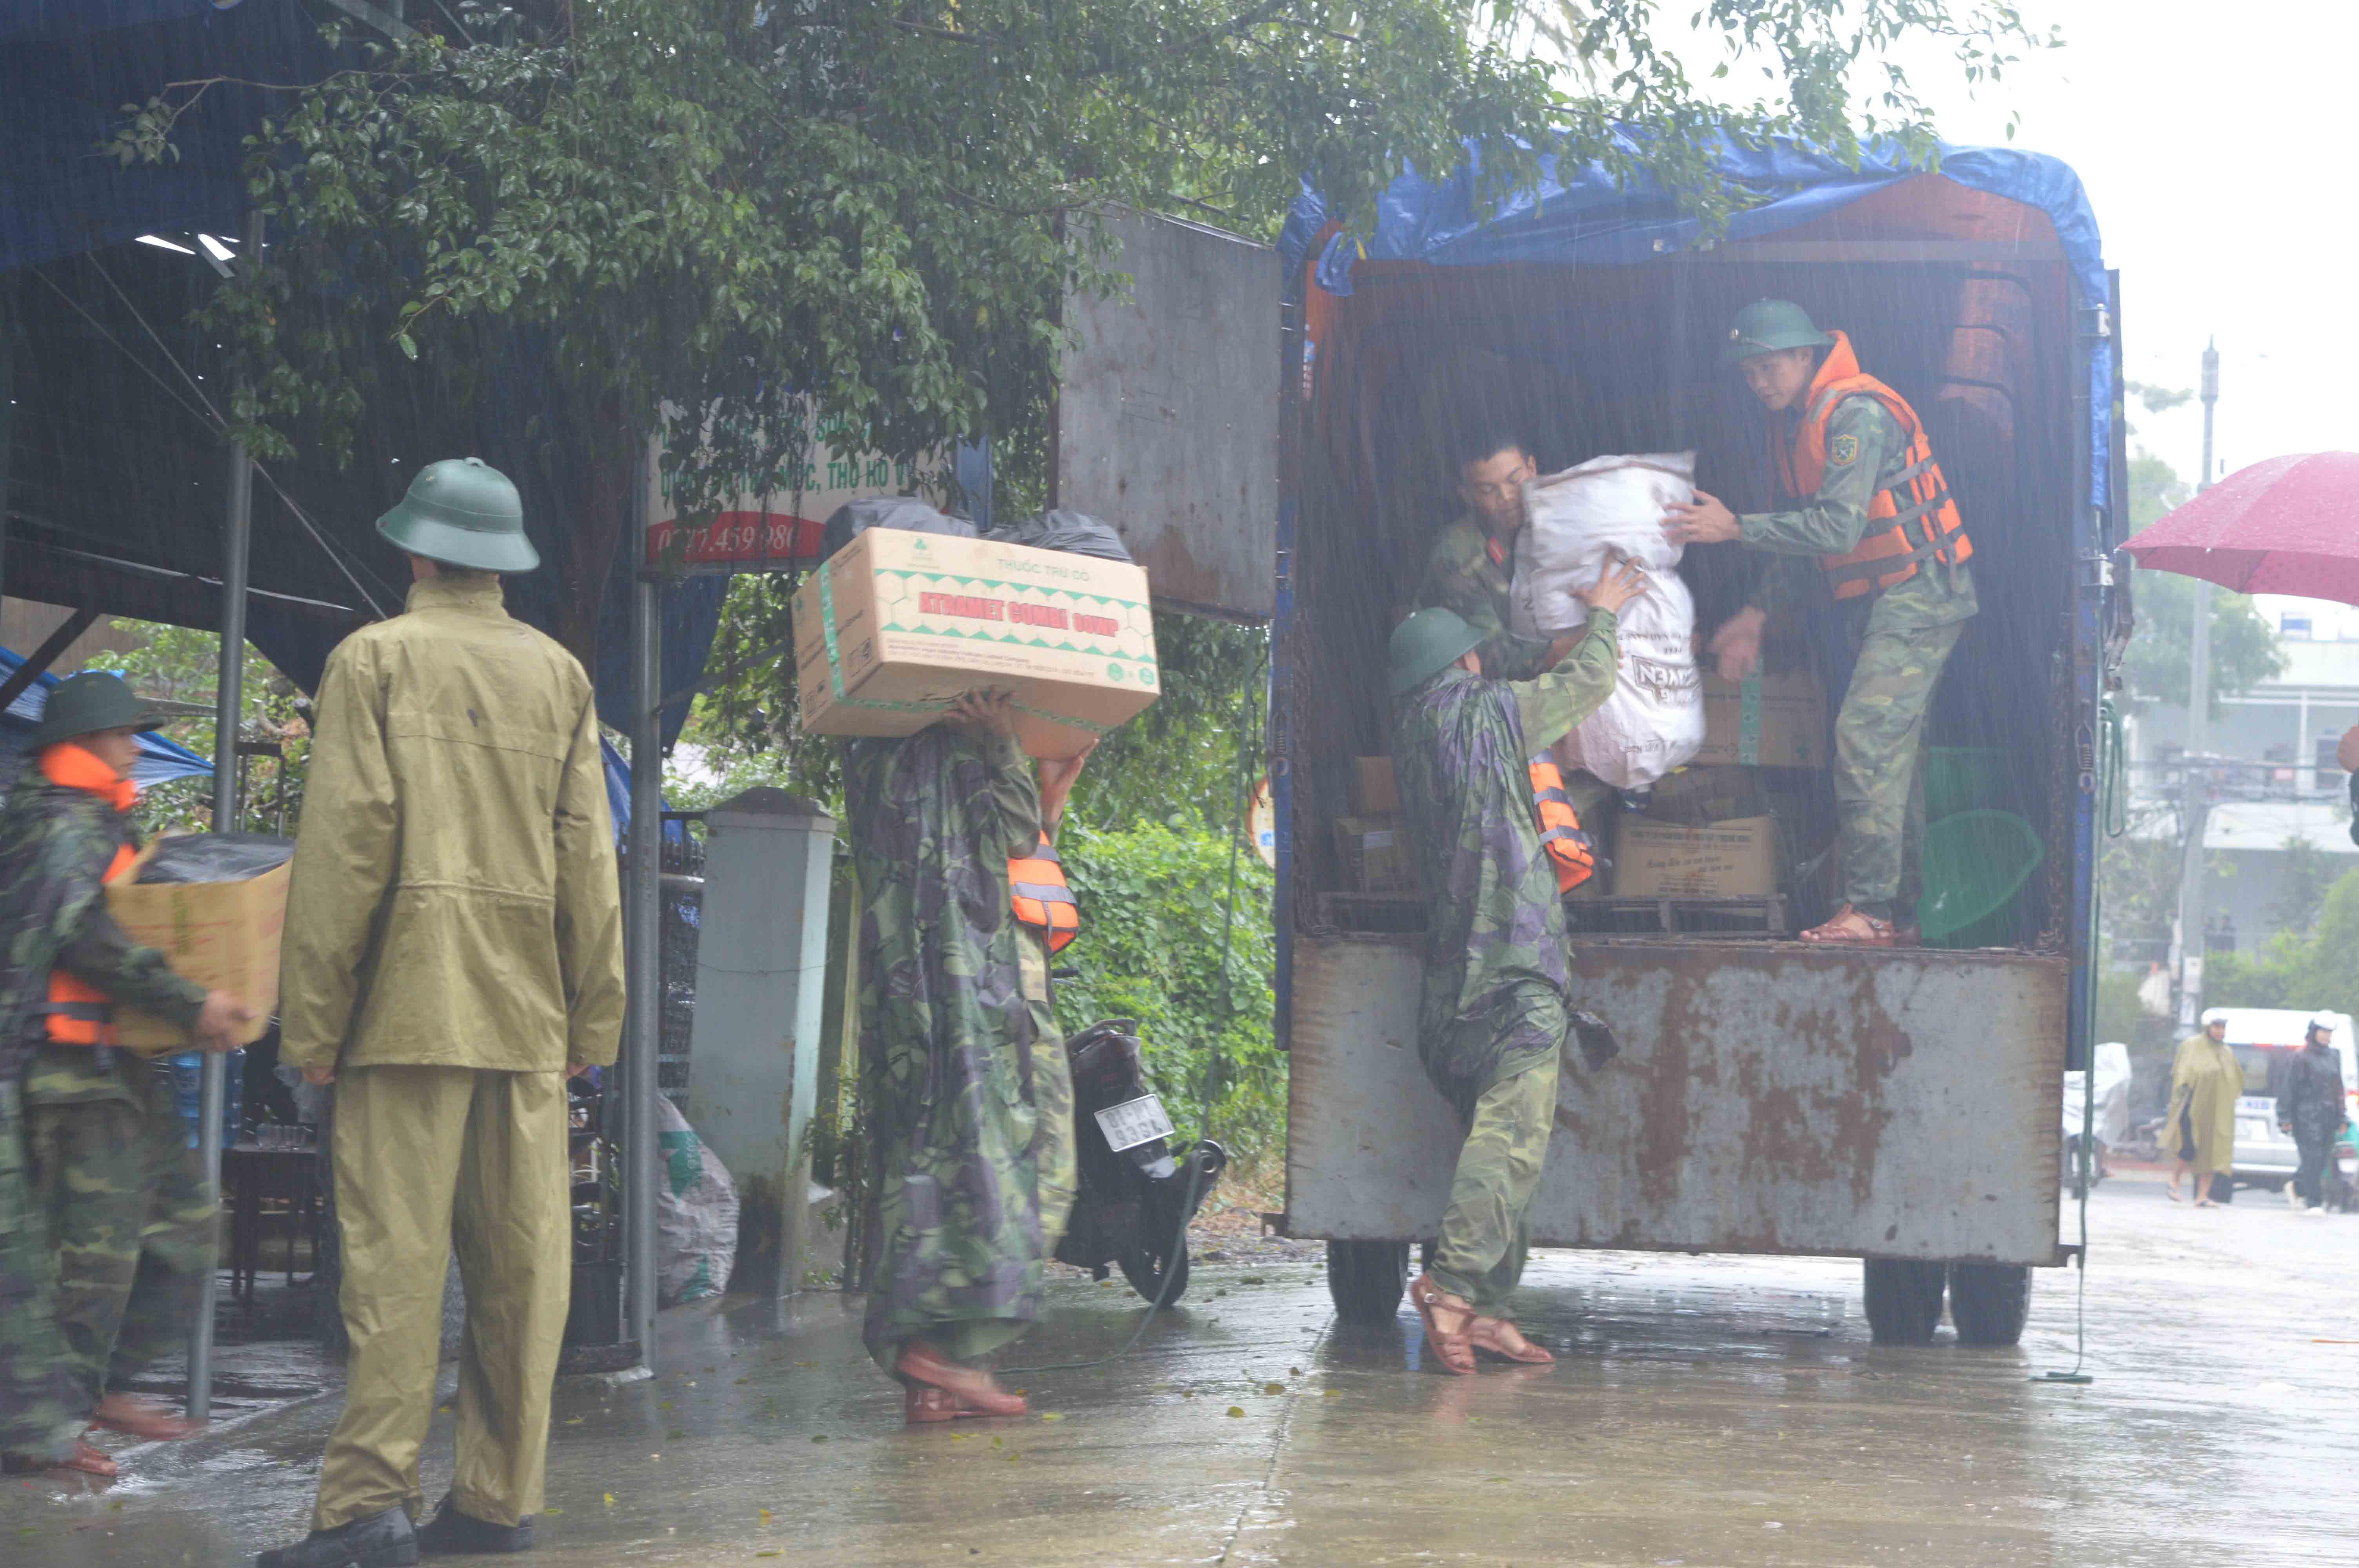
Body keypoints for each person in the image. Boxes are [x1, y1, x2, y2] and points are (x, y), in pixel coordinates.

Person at [259, 458, 625, 1568]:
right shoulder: (560, 676)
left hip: (404, 1014)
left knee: (395, 1270)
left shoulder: (373, 661)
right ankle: (497, 1502)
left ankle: (366, 1509)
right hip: (527, 1023)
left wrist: (311, 1027)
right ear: (502, 561)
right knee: (522, 1271)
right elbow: (590, 864)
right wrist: (593, 1025)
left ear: (417, 550)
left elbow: (345, 852)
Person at [1387, 554, 1648, 1374]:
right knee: (1512, 1140)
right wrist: (1604, 612)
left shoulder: (1412, 734)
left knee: (1505, 1143)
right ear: (1464, 662)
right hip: (1511, 967)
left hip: (1453, 983)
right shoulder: (1485, 712)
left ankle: (1491, 1313)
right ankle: (1453, 1287)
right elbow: (1588, 681)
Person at [0, 673, 253, 1480]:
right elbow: (84, 934)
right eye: (122, 734)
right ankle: (53, 1426)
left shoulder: (93, 821)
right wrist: (191, 1001)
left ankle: (93, 1391)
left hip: (116, 1069)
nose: (136, 749)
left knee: (186, 1227)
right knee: (93, 1265)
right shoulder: (63, 825)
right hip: (68, 1077)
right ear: (81, 741)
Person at [1665, 300, 1977, 946]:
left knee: (1864, 741)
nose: (1760, 383)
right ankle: (1900, 916)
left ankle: (1870, 912)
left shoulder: (1854, 415)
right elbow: (1807, 546)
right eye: (1750, 373)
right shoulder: (1801, 424)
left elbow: (1837, 529)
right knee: (1894, 755)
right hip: (1876, 599)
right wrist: (1754, 615)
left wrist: (1735, 528)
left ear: (1806, 356)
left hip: (1919, 592)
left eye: (1770, 367)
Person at [842, 691, 1074, 1423]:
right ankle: (949, 1357)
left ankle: (930, 1380)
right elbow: (1015, 839)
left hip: (899, 993)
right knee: (1032, 1161)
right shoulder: (966, 746)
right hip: (977, 990)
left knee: (919, 1159)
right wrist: (1003, 744)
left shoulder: (867, 743)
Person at [1416, 427, 1601, 684]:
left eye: (1515, 480)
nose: (1506, 497)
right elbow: (1490, 657)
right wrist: (1569, 648)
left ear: (1532, 468)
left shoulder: (1568, 510)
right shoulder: (1457, 556)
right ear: (1467, 495)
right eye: (1487, 491)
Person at [1007, 744, 1094, 1254]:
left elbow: (1027, 863)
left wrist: (1052, 802)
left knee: (1052, 1157)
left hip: (1028, 1013)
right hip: (1003, 1019)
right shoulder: (962, 825)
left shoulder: (1014, 838)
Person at [2162, 1016, 2242, 1208]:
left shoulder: (2226, 1052)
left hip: (2217, 1110)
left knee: (2213, 1151)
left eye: (2223, 1027)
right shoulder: (2192, 1046)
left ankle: (2203, 1196)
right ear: (2207, 1027)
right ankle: (2174, 1181)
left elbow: (2234, 1079)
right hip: (2191, 1107)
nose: (2220, 1031)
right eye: (2216, 1027)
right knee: (2188, 1147)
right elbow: (2182, 1073)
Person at [2276, 1016, 2348, 1214]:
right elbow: (2288, 1088)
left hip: (2328, 1116)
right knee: (2312, 1159)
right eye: (2323, 1032)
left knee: (2322, 1160)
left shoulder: (2334, 1056)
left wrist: (2342, 1116)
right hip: (2305, 1116)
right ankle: (2314, 1203)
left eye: (2329, 1033)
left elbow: (2338, 1088)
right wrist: (2285, 1117)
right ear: (2314, 1032)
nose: (2326, 1036)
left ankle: (2297, 1187)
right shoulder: (2300, 1057)